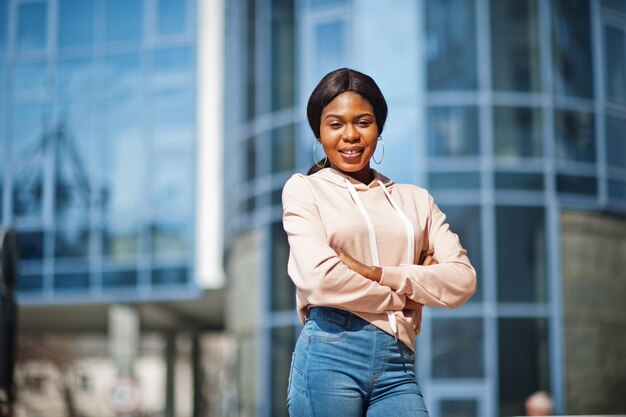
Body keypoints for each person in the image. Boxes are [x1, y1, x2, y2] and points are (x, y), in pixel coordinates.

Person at [281, 68, 477, 417]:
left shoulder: (416, 200)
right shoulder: (304, 190)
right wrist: (405, 294)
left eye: (363, 122)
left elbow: (462, 280)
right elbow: (318, 279)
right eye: (335, 124)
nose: (351, 136)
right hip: (329, 354)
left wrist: (377, 272)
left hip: (397, 363)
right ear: (319, 132)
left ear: (378, 128)